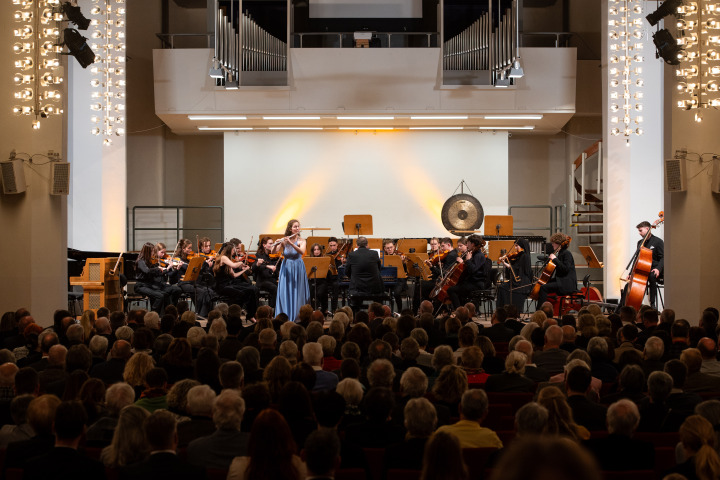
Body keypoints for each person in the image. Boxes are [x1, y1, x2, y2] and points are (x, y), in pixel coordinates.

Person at [273, 219, 310, 322]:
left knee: (297, 291)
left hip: (298, 267)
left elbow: (301, 251)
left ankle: (297, 317)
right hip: (286, 267)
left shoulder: (302, 240)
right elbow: (273, 251)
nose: (297, 228)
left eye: (298, 226)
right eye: (295, 227)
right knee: (286, 291)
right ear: (290, 229)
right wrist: (276, 244)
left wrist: (291, 243)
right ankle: (285, 316)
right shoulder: (284, 240)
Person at [624, 220, 664, 309]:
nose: (639, 233)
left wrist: (658, 268)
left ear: (647, 229)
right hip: (643, 269)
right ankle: (633, 304)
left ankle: (652, 304)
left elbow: (663, 257)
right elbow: (636, 259)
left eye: (640, 230)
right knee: (631, 282)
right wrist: (631, 273)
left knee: (651, 276)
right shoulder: (640, 243)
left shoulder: (658, 241)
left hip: (654, 269)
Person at [212, 243, 257, 320]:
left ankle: (250, 315)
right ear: (229, 250)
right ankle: (234, 315)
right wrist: (240, 262)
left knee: (251, 290)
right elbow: (234, 265)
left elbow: (234, 275)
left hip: (229, 284)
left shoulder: (228, 260)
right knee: (241, 294)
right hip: (222, 287)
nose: (234, 251)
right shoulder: (223, 257)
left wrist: (245, 270)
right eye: (233, 250)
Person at [135, 242, 181, 314]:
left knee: (166, 293)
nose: (153, 253)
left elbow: (159, 273)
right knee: (160, 296)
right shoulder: (141, 261)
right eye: (152, 251)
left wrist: (167, 269)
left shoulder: (151, 261)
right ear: (148, 252)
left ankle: (167, 313)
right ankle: (153, 315)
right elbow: (147, 271)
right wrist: (158, 269)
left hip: (149, 284)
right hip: (141, 285)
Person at [534, 232, 577, 306]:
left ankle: (541, 311)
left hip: (567, 284)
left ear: (559, 243)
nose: (552, 244)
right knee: (543, 284)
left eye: (554, 243)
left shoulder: (567, 253)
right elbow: (560, 270)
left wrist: (555, 259)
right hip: (562, 281)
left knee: (544, 288)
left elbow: (565, 269)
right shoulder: (560, 254)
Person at [447, 234, 487, 309]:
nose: (467, 245)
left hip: (476, 284)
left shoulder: (479, 256)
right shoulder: (472, 253)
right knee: (454, 287)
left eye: (467, 243)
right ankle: (461, 310)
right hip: (470, 282)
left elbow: (472, 270)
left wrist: (468, 260)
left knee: (451, 290)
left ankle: (459, 311)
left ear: (472, 244)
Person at [345, 236, 384, 310]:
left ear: (356, 245)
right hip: (374, 288)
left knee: (353, 294)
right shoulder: (374, 254)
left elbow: (347, 271)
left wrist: (353, 277)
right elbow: (379, 269)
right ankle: (379, 313)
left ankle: (356, 313)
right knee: (379, 291)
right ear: (367, 245)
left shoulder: (351, 255)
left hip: (358, 289)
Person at [496, 238, 533, 313]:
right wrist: (505, 260)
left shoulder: (525, 256)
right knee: (501, 287)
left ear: (522, 246)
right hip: (518, 280)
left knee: (502, 288)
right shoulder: (520, 255)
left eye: (517, 246)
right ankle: (502, 311)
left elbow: (516, 268)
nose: (515, 248)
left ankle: (505, 311)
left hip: (522, 282)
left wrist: (504, 263)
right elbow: (514, 265)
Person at [252, 236, 280, 308]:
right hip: (262, 280)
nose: (272, 245)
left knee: (282, 287)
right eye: (270, 243)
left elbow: (277, 268)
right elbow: (255, 268)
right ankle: (271, 309)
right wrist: (268, 266)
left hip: (272, 279)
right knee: (275, 288)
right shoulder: (259, 255)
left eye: (273, 243)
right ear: (264, 245)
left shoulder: (273, 255)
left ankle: (279, 309)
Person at [383, 239, 408, 313]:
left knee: (396, 293)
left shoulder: (399, 256)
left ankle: (399, 311)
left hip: (399, 280)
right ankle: (383, 311)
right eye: (388, 248)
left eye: (391, 247)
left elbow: (405, 272)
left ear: (394, 247)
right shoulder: (383, 257)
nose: (390, 249)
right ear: (385, 249)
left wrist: (403, 263)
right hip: (388, 279)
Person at [308, 243, 330, 314]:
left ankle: (324, 309)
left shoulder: (324, 259)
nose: (316, 251)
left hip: (322, 281)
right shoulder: (309, 260)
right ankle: (313, 310)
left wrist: (327, 267)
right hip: (312, 281)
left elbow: (328, 275)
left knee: (320, 293)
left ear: (320, 251)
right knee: (310, 293)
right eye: (314, 250)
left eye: (318, 249)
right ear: (312, 251)